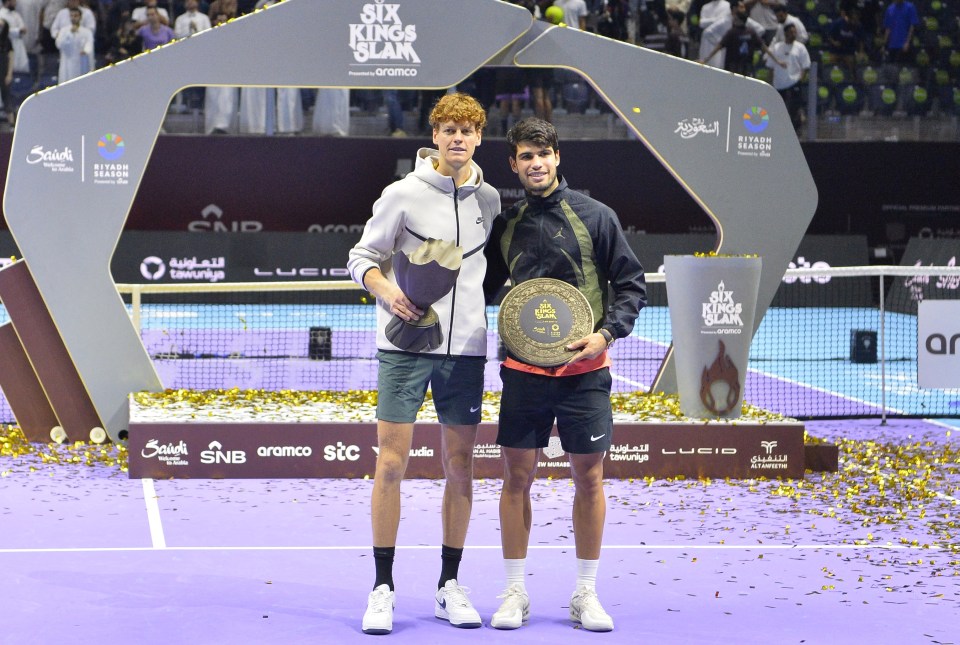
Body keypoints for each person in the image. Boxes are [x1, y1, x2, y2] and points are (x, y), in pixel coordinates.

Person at [482, 117, 646, 632]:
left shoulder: (596, 216)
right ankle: (514, 592)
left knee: (589, 478)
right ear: (513, 164)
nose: (535, 164)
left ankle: (585, 595)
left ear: (558, 158)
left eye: (543, 155)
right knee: (516, 478)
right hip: (523, 372)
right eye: (525, 156)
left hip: (586, 373)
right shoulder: (505, 225)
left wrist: (606, 334)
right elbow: (480, 288)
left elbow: (631, 285)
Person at [347, 92, 501, 635]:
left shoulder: (490, 201)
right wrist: (388, 293)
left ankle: (448, 585)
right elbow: (361, 257)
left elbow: (497, 270)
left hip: (465, 352)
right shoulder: (402, 194)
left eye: (468, 130)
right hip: (404, 348)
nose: (458, 138)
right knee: (392, 461)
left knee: (461, 466)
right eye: (448, 129)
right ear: (434, 136)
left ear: (480, 137)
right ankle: (382, 586)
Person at [699, 1, 781, 76]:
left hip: (746, 63)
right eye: (741, 7)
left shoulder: (750, 31)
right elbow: (715, 42)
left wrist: (752, 44)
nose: (743, 9)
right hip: (732, 64)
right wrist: (706, 59)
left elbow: (762, 42)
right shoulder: (730, 30)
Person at [766, 22, 809, 131]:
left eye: (795, 32)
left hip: (794, 82)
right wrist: (769, 83)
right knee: (779, 108)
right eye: (791, 32)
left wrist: (800, 79)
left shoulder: (800, 47)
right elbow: (770, 66)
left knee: (795, 108)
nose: (794, 34)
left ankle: (796, 130)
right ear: (785, 33)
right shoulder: (776, 47)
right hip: (779, 84)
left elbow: (805, 66)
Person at [54, 4, 92, 82]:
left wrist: (85, 50)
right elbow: (59, 44)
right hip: (66, 64)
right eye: (71, 16)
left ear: (80, 17)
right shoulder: (63, 31)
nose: (73, 18)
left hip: (81, 64)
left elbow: (89, 44)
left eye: (76, 16)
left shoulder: (86, 32)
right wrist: (70, 34)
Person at [882, 0, 919, 64]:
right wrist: (884, 45)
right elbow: (888, 29)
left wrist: (907, 42)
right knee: (893, 70)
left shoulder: (910, 7)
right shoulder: (889, 9)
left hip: (905, 45)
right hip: (892, 45)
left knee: (905, 70)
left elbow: (912, 27)